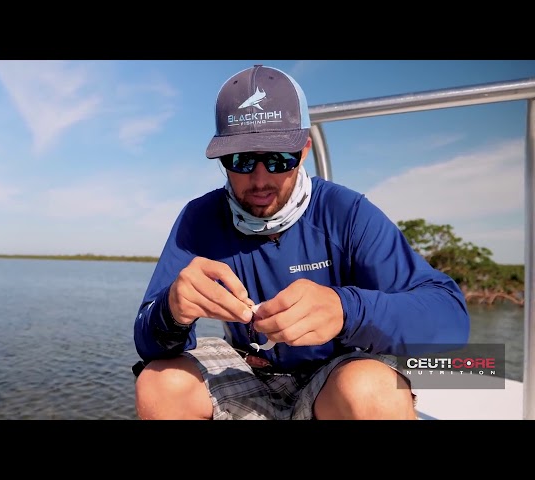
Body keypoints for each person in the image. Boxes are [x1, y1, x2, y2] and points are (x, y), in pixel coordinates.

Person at [132, 64, 470, 420]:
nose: (260, 180)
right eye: (242, 160)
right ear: (223, 159)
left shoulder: (346, 213)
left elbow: (450, 319)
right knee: (159, 383)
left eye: (279, 159)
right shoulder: (198, 218)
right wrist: (172, 311)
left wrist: (346, 310)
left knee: (373, 389)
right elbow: (147, 341)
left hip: (332, 375)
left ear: (304, 150)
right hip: (246, 372)